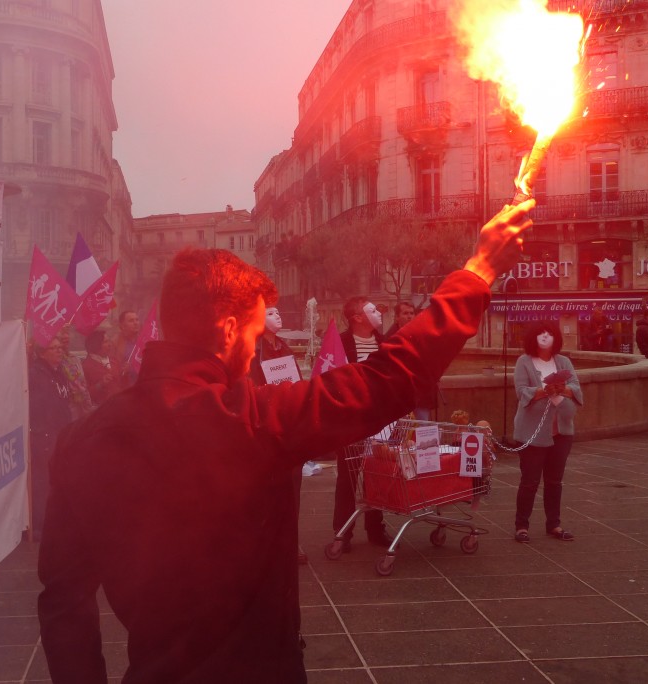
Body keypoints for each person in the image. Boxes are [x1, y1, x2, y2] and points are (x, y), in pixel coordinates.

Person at [36, 198, 533, 684]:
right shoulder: (250, 420)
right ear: (228, 331)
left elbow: (62, 601)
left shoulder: (80, 441)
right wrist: (479, 271)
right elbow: (388, 378)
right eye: (254, 333)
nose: (255, 346)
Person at [331, 295, 392, 550]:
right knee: (348, 478)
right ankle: (343, 532)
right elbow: (330, 379)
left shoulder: (384, 342)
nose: (378, 312)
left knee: (376, 475)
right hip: (351, 420)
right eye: (372, 310)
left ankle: (375, 529)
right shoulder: (341, 343)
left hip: (380, 420)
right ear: (357, 318)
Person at [249, 305, 309, 564]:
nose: (278, 316)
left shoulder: (283, 347)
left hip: (286, 422)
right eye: (271, 313)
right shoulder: (252, 349)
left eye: (278, 312)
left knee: (292, 485)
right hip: (264, 425)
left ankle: (290, 541)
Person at [512, 322, 582, 544]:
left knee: (555, 481)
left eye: (550, 333)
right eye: (541, 333)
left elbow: (577, 388)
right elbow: (521, 391)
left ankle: (554, 523)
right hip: (532, 432)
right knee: (530, 481)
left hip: (561, 431)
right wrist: (543, 391)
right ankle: (521, 525)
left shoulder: (563, 361)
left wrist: (563, 388)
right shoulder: (524, 361)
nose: (545, 337)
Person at [27, 336, 73, 541]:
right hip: (44, 435)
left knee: (56, 478)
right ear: (42, 353)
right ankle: (40, 523)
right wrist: (43, 430)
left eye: (59, 348)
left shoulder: (57, 372)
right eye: (53, 348)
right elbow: (38, 406)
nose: (58, 351)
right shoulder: (37, 373)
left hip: (59, 432)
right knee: (42, 480)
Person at [57, 325, 92, 420]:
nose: (65, 336)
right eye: (61, 332)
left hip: (79, 412)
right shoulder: (52, 363)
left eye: (67, 332)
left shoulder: (74, 360)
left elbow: (83, 387)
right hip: (63, 413)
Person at [82, 329, 121, 407]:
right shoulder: (86, 366)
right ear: (96, 345)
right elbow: (85, 394)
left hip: (119, 406)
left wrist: (124, 371)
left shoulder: (114, 360)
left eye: (109, 341)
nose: (109, 344)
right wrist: (101, 384)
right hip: (101, 410)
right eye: (105, 342)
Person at [114, 310, 141, 388]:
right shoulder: (114, 343)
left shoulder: (144, 340)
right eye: (131, 321)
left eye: (137, 320)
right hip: (125, 388)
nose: (136, 323)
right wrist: (121, 368)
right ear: (122, 326)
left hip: (143, 386)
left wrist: (134, 367)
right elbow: (111, 368)